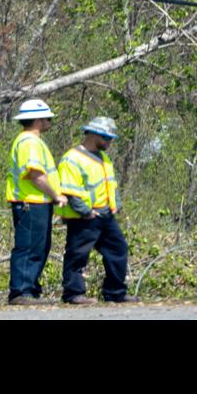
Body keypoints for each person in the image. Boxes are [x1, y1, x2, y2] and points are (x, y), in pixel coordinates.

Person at [55, 117, 130, 304]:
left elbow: (111, 185)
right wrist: (86, 212)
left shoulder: (104, 158)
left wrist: (116, 206)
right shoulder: (72, 158)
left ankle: (115, 293)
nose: (109, 142)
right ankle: (73, 294)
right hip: (84, 217)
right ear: (93, 134)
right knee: (77, 254)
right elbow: (70, 190)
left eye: (111, 138)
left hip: (105, 215)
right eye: (106, 137)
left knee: (118, 249)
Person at [6, 98, 67, 304]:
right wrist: (56, 195)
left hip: (35, 203)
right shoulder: (29, 142)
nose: (50, 120)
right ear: (38, 120)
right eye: (47, 117)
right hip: (30, 202)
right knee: (29, 247)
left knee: (38, 247)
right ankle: (21, 292)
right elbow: (35, 175)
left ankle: (29, 290)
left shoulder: (31, 141)